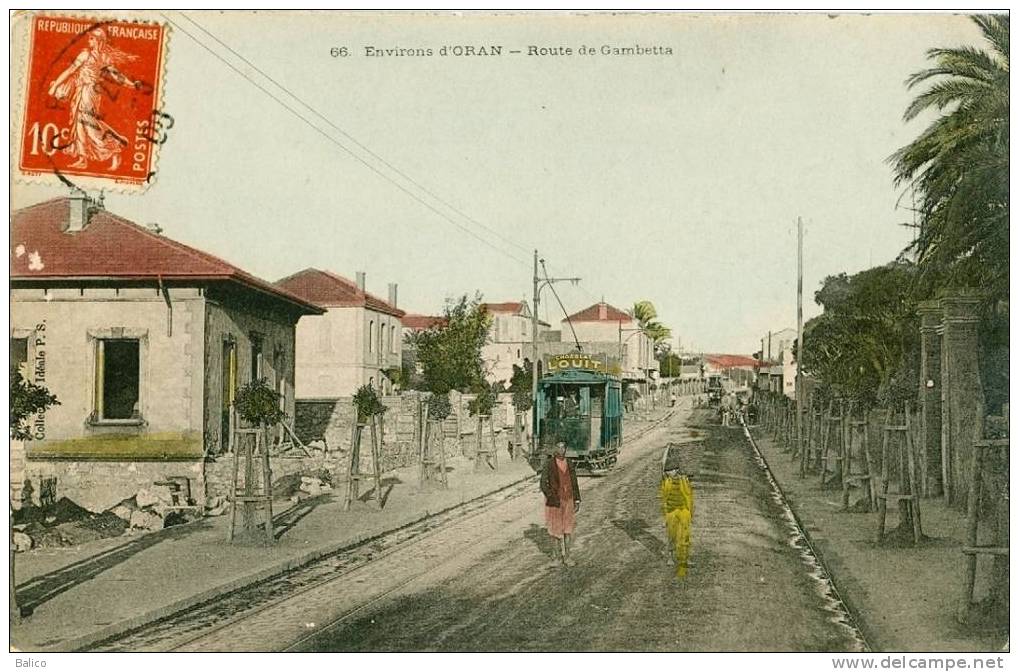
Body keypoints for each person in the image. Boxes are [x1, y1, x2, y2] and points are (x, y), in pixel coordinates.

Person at [47, 27, 144, 170]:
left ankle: (114, 149)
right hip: (81, 90)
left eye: (92, 38)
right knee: (79, 124)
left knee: (89, 125)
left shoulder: (99, 57)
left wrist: (131, 85)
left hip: (90, 92)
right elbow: (70, 71)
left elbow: (116, 75)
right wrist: (56, 85)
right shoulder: (87, 54)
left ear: (99, 41)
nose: (89, 41)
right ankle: (82, 158)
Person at [540, 441, 581, 567]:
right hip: (555, 502)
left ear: (566, 449)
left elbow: (574, 481)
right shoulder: (549, 464)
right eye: (558, 447)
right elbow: (542, 484)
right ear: (554, 449)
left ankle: (567, 557)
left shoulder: (569, 463)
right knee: (555, 530)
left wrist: (577, 499)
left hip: (568, 500)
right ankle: (556, 558)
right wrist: (551, 495)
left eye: (563, 447)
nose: (561, 449)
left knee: (568, 529)